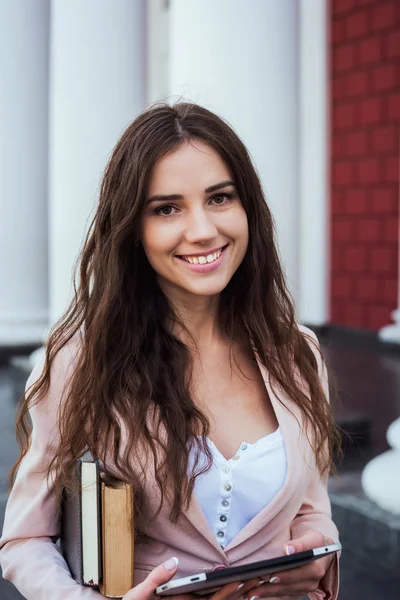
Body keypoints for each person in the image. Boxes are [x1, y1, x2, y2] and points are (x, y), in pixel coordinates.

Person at [0, 102, 341, 600]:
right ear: (133, 231)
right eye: (167, 208)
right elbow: (25, 539)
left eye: (220, 198)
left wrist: (318, 560)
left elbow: (312, 509)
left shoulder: (297, 353)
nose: (202, 230)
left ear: (248, 208)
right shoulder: (80, 361)